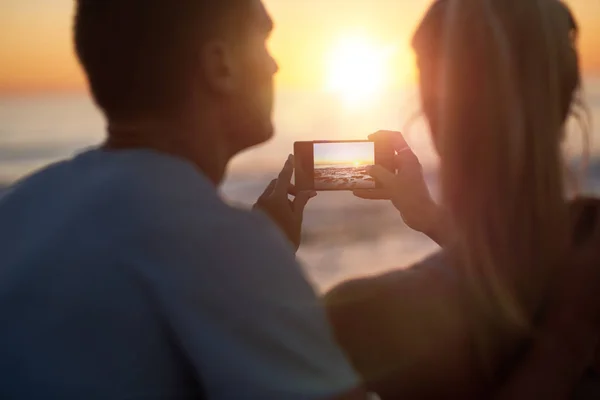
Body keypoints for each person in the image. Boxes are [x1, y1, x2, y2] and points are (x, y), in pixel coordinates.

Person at [0, 1, 366, 399]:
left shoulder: (18, 208)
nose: (275, 66)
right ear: (220, 66)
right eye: (264, 41)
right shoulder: (218, 243)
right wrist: (250, 258)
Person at [325, 0, 600, 398]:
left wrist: (262, 246)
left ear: (433, 112)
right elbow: (507, 270)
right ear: (568, 93)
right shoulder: (587, 259)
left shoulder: (366, 317)